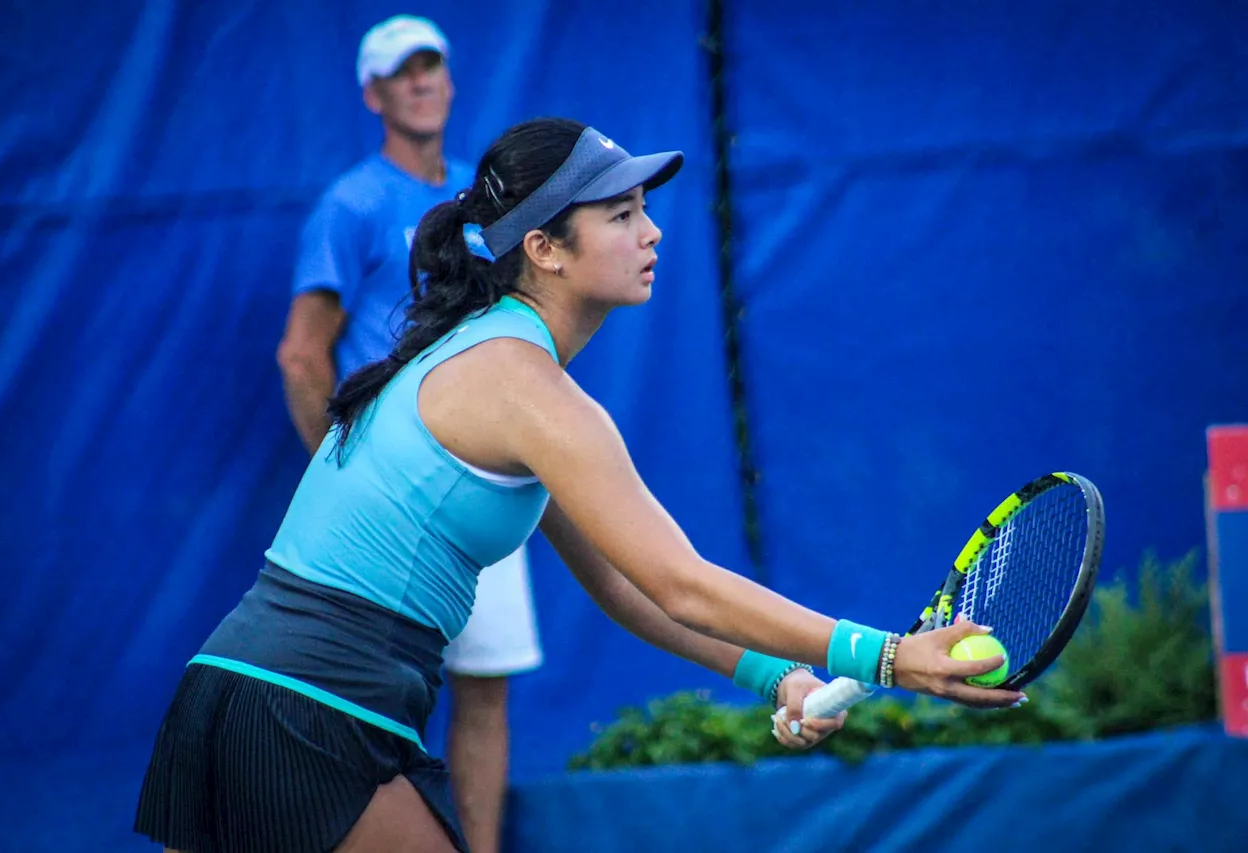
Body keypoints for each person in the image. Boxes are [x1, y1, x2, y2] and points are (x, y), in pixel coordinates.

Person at [136, 116, 1024, 853]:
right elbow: (683, 582)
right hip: (308, 710)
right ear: (546, 249)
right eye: (623, 213)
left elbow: (631, 589)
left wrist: (778, 677)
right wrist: (887, 656)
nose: (653, 231)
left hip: (246, 689)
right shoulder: (532, 392)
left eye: (646, 210)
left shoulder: (498, 367)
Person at [273, 16, 536, 851]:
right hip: (395, 502)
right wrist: (346, 469)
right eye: (402, 72)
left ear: (451, 83)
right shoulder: (349, 204)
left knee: (484, 686)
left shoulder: (480, 197)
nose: (421, 82)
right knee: (378, 697)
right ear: (374, 94)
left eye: (433, 67)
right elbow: (301, 354)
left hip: (486, 474)